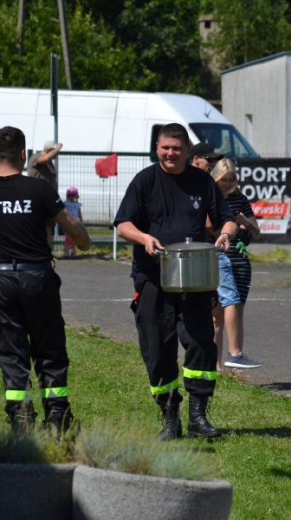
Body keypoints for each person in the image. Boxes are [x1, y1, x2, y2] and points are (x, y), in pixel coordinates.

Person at [0, 127, 91, 432]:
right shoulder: (39, 189)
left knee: (10, 348)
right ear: (23, 155)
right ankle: (57, 416)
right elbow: (70, 224)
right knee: (49, 347)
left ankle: (20, 415)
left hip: (1, 280)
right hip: (37, 277)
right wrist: (84, 242)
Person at [114, 123, 237, 440]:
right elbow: (122, 224)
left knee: (200, 346)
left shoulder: (201, 182)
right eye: (165, 148)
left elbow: (227, 219)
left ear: (186, 150)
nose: (170, 153)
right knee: (157, 350)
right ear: (157, 147)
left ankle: (198, 416)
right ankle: (170, 419)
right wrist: (143, 237)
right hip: (153, 277)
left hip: (194, 276)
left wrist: (224, 233)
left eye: (176, 148)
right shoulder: (145, 181)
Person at [208, 158, 263, 370]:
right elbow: (209, 228)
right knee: (216, 316)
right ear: (216, 179)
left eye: (231, 180)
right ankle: (217, 364)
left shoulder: (240, 199)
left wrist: (245, 223)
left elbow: (256, 233)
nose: (228, 184)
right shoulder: (211, 198)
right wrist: (228, 228)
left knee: (237, 311)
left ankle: (235, 360)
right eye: (224, 180)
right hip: (220, 257)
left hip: (240, 259)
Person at [62, 187, 83, 258]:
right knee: (67, 238)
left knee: (74, 238)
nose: (71, 197)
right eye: (70, 195)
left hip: (75, 224)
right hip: (68, 223)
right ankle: (66, 252)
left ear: (76, 196)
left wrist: (81, 221)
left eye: (73, 195)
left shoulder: (78, 205)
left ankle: (74, 252)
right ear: (68, 195)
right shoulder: (65, 203)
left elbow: (79, 213)